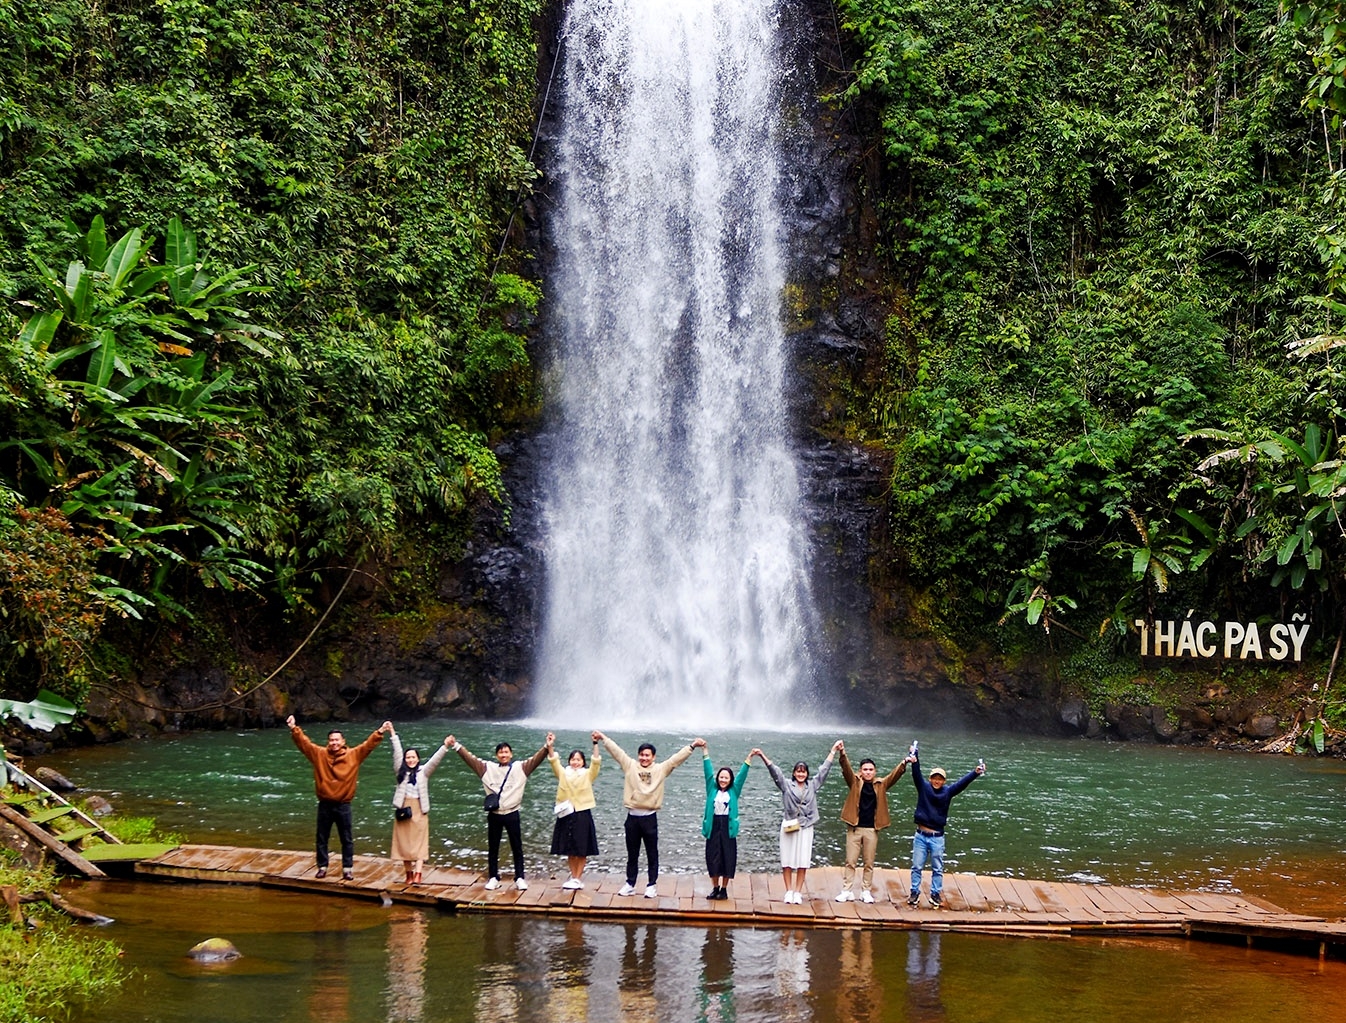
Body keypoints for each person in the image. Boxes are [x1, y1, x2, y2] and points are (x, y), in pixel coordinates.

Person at [596, 730, 706, 897]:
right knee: (632, 853)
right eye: (641, 755)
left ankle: (651, 885)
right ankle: (630, 883)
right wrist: (603, 738)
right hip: (632, 817)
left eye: (647, 755)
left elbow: (676, 760)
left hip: (649, 818)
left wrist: (691, 746)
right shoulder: (630, 765)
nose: (644, 758)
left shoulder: (661, 769)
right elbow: (617, 751)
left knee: (651, 853)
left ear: (653, 757)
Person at [286, 715, 389, 881]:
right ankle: (322, 867)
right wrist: (294, 728)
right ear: (328, 742)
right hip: (325, 804)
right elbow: (304, 744)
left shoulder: (353, 755)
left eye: (337, 740)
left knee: (347, 839)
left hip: (343, 804)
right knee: (321, 838)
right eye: (331, 740)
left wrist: (380, 731)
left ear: (343, 741)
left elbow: (367, 746)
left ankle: (347, 869)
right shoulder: (320, 754)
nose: (334, 743)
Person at [446, 731, 550, 890]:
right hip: (495, 814)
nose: (503, 754)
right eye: (501, 752)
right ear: (496, 755)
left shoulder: (520, 768)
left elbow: (536, 759)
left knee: (517, 847)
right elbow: (470, 759)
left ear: (511, 754)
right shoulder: (488, 768)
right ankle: (493, 877)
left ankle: (520, 877)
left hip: (512, 812)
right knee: (493, 847)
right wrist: (456, 746)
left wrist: (547, 746)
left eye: (506, 752)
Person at [754, 740, 842, 904]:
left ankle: (798, 892)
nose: (801, 774)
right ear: (794, 773)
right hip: (790, 825)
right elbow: (775, 772)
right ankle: (788, 891)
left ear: (807, 774)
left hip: (807, 826)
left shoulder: (813, 785)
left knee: (803, 859)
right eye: (798, 772)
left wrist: (833, 751)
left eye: (803, 772)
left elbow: (824, 770)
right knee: (787, 858)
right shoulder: (786, 785)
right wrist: (762, 756)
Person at [906, 752, 985, 909]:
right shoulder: (923, 788)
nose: (937, 781)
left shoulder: (947, 792)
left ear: (944, 781)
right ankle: (914, 892)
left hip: (937, 837)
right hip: (921, 835)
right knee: (917, 866)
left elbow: (961, 784)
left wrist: (975, 773)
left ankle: (935, 893)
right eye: (934, 778)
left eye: (940, 779)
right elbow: (916, 774)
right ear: (930, 779)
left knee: (937, 868)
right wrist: (915, 759)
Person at [836, 743, 908, 903]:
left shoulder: (880, 784)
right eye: (865, 769)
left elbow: (894, 775)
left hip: (871, 829)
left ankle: (865, 891)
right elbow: (846, 768)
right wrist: (842, 753)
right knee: (850, 861)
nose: (868, 772)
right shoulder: (854, 781)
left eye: (870, 770)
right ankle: (846, 890)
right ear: (860, 771)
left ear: (874, 772)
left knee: (869, 862)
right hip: (854, 827)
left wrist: (904, 763)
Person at [389, 725, 453, 885]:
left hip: (420, 809)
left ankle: (418, 873)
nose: (410, 760)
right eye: (408, 757)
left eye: (413, 757)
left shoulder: (423, 772)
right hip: (404, 809)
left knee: (419, 843)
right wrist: (392, 733)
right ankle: (408, 874)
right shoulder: (400, 772)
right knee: (404, 844)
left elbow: (435, 760)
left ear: (418, 759)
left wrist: (445, 746)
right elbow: (397, 752)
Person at [547, 734, 602, 889]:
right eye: (573, 759)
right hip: (566, 813)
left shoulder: (587, 774)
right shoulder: (563, 773)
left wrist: (595, 743)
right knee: (570, 847)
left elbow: (596, 763)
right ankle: (573, 876)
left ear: (583, 762)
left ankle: (578, 877)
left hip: (582, 812)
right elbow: (553, 761)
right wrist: (550, 745)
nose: (575, 762)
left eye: (578, 760)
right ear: (569, 761)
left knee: (582, 847)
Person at [700, 743, 752, 900]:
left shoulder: (734, 791)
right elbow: (707, 771)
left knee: (727, 857)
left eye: (726, 777)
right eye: (721, 777)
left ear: (730, 780)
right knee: (712, 857)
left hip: (728, 828)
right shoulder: (712, 789)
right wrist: (705, 751)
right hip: (713, 826)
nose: (723, 780)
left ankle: (724, 889)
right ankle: (715, 888)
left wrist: (749, 758)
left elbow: (742, 775)